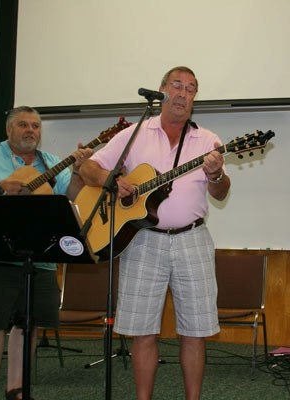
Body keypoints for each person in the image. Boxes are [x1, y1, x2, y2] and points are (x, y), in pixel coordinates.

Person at [79, 66, 231, 400]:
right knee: (141, 331)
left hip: (193, 240)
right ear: (162, 91)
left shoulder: (208, 141)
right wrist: (111, 180)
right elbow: (87, 166)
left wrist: (217, 175)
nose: (183, 93)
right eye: (176, 85)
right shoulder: (134, 134)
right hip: (142, 241)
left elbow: (220, 193)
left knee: (195, 332)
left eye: (191, 89)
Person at [0, 105, 93, 400]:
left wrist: (77, 171)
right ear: (9, 130)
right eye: (24, 125)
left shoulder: (51, 163)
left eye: (36, 126)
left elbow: (73, 197)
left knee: (28, 326)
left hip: (42, 258)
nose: (31, 131)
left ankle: (17, 390)